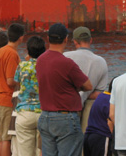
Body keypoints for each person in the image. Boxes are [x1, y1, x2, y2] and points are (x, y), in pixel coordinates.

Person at [36, 23, 93, 156]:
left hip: (45, 116)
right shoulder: (67, 63)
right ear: (66, 39)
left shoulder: (40, 60)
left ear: (48, 39)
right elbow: (88, 86)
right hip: (65, 117)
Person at [65, 26, 109, 132]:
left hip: (67, 107)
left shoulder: (65, 56)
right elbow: (99, 93)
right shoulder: (101, 61)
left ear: (75, 41)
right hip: (88, 107)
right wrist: (84, 95)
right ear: (91, 40)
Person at [0, 23, 25, 156]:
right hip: (7, 99)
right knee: (6, 139)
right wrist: (25, 81)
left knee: (0, 139)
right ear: (21, 38)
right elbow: (10, 80)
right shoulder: (12, 54)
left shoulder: (0, 51)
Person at [14, 35, 46, 156]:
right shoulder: (46, 66)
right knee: (41, 151)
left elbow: (16, 82)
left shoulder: (22, 66)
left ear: (28, 50)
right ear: (44, 51)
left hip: (25, 112)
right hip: (42, 112)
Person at [85, 78, 115, 156]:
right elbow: (110, 121)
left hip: (88, 136)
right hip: (102, 137)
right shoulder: (111, 101)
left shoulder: (101, 96)